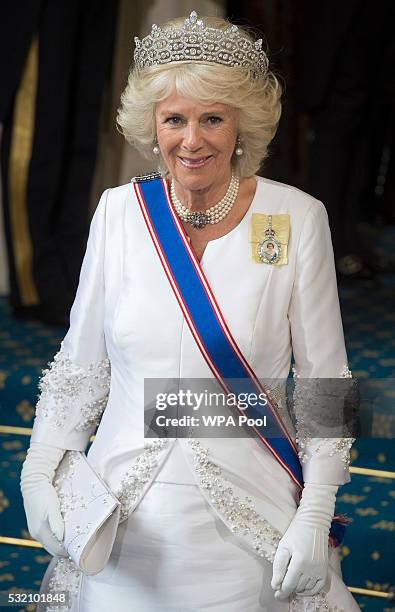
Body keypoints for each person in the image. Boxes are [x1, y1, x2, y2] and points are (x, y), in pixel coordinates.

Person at [20, 12, 359, 612]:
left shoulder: (296, 218)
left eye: (212, 119)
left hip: (249, 506)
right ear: (152, 125)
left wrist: (317, 512)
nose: (192, 139)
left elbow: (325, 386)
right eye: (174, 119)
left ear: (241, 125)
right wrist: (39, 465)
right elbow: (78, 370)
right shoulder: (118, 214)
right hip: (120, 513)